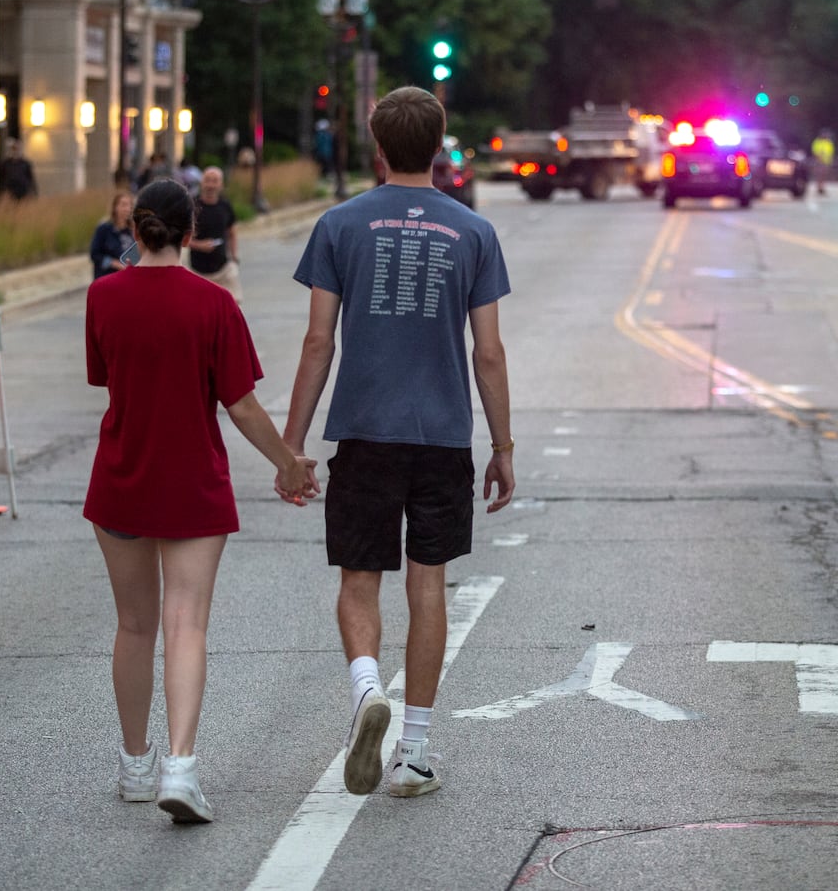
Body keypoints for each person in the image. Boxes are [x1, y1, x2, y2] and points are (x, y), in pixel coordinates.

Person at [282, 86, 516, 799]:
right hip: (441, 435)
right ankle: (412, 751)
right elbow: (490, 354)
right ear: (440, 147)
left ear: (377, 147)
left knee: (359, 581)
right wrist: (502, 445)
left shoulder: (339, 225)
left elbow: (319, 340)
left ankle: (364, 692)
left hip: (364, 429)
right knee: (428, 584)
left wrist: (292, 444)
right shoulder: (473, 232)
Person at [84, 178, 316, 824]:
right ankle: (180, 767)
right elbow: (240, 404)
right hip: (192, 479)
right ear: (191, 233)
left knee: (133, 626)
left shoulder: (102, 297)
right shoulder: (215, 305)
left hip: (122, 476)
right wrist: (289, 466)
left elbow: (104, 376)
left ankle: (134, 765)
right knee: (186, 623)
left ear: (135, 231)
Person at [186, 167, 240, 300]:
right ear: (201, 183)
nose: (210, 185)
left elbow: (232, 232)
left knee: (233, 303)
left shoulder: (225, 206)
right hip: (197, 271)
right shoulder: (192, 206)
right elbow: (182, 236)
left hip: (223, 269)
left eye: (215, 181)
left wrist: (234, 256)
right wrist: (199, 245)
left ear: (221, 185)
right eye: (207, 180)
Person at [89, 190, 135, 280]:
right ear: (115, 207)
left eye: (129, 205)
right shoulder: (104, 229)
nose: (127, 209)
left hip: (127, 279)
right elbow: (94, 254)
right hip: (108, 278)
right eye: (123, 205)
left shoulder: (132, 230)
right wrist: (114, 263)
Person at [811, 129, 835, 196]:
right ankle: (819, 188)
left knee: (824, 175)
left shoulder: (829, 142)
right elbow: (815, 151)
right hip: (819, 162)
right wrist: (819, 158)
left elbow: (831, 152)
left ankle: (822, 188)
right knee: (819, 175)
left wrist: (830, 160)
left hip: (826, 162)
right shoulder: (817, 142)